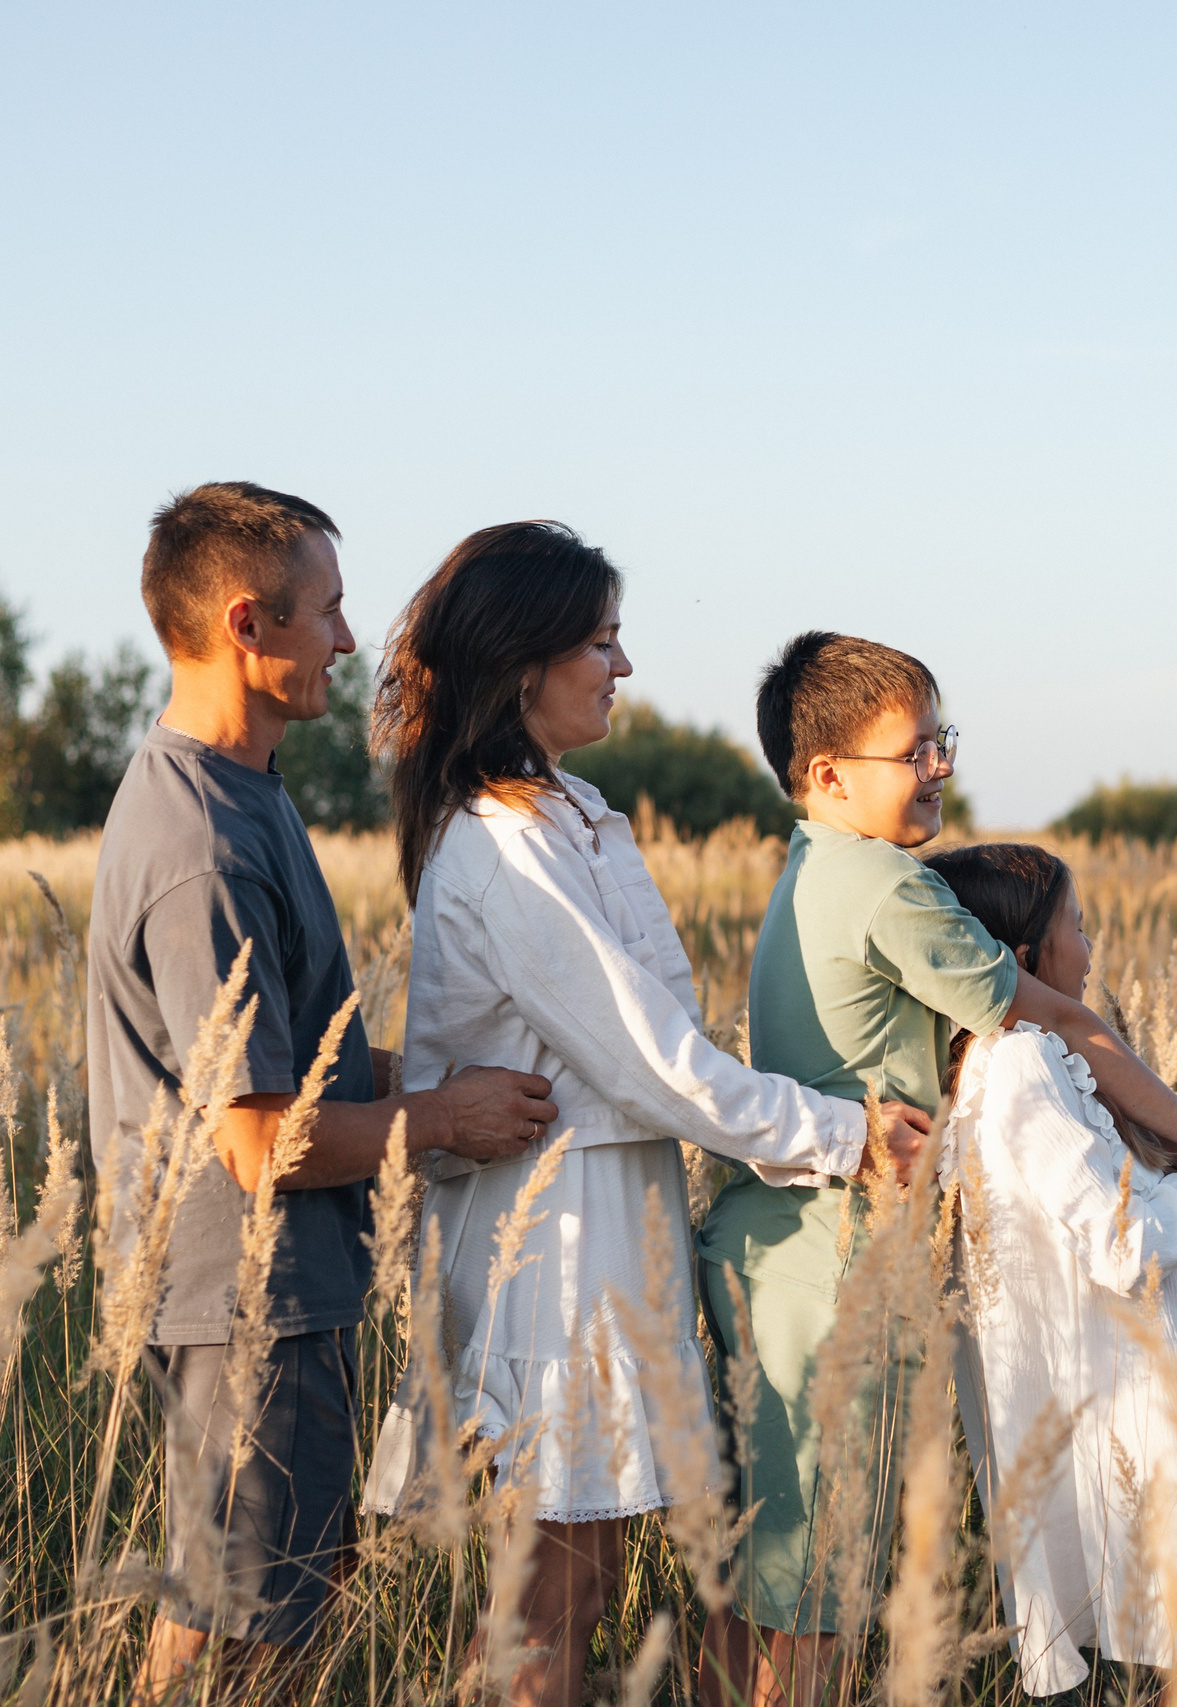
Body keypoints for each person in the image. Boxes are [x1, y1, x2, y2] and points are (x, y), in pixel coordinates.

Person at [357, 524, 933, 1707]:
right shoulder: (502, 842)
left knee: (586, 1574)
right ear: (525, 664)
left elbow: (659, 1033)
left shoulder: (576, 813)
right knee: (549, 1594)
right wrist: (838, 1136)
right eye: (601, 643)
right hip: (549, 1240)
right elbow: (648, 1058)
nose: (623, 668)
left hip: (616, 1216)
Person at [695, 632, 1177, 1707]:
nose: (940, 768)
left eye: (939, 743)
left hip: (783, 1256)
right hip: (837, 1272)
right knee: (819, 1600)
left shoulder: (815, 868)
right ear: (828, 775)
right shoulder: (883, 887)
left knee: (765, 1585)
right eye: (915, 751)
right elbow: (1049, 1014)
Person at [89, 482, 558, 1697]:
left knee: (265, 1593)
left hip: (274, 1287)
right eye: (331, 613)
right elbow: (254, 1138)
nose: (350, 643)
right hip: (248, 1292)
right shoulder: (203, 843)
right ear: (250, 624)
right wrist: (446, 1121)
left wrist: (417, 1074)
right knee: (252, 1627)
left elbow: (282, 1068)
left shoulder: (245, 789)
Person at [925, 843, 1177, 1695]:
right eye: (1077, 925)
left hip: (1149, 1398)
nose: (1091, 947)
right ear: (1023, 957)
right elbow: (1119, 1237)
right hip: (1155, 1413)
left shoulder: (1013, 1065)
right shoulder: (1020, 1064)